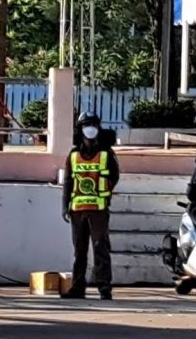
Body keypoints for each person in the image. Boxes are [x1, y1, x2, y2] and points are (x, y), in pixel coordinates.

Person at [61, 111, 120, 300]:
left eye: (93, 125)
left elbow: (114, 176)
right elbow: (68, 181)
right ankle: (78, 287)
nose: (90, 129)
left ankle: (104, 287)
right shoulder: (73, 154)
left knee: (100, 247)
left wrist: (106, 192)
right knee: (79, 251)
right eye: (86, 125)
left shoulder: (106, 153)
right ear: (80, 129)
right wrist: (65, 206)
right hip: (77, 210)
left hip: (98, 210)